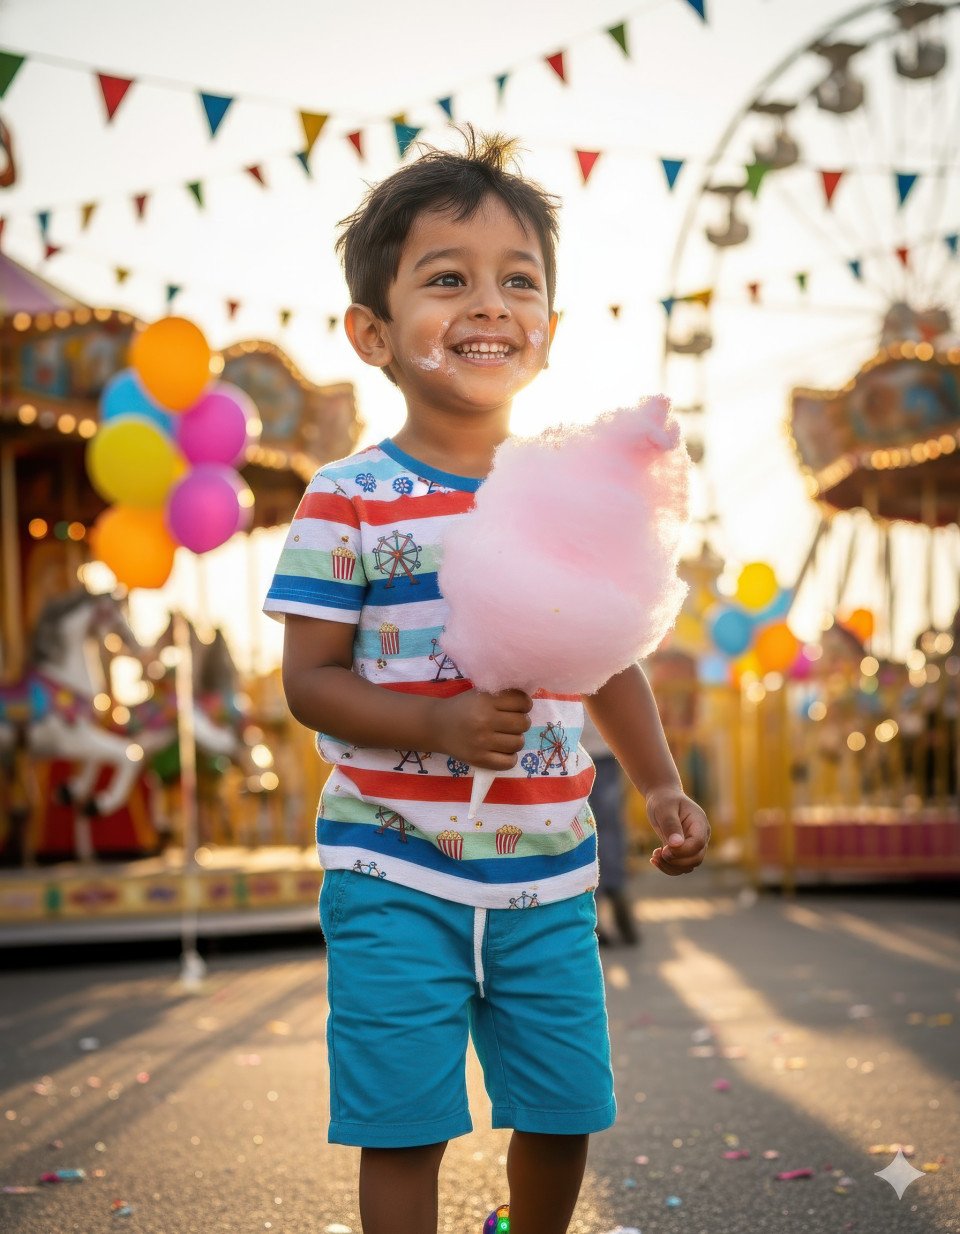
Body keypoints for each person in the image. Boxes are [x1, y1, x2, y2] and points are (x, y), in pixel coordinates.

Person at [263, 126, 710, 1234]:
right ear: (373, 330)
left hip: (551, 865)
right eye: (446, 279)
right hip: (390, 863)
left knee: (563, 1109)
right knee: (402, 1120)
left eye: (519, 282)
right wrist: (443, 721)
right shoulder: (348, 497)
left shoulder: (567, 492)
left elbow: (610, 657)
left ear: (550, 334)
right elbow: (310, 682)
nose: (488, 305)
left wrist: (658, 784)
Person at [580, 710, 640, 946]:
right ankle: (613, 902)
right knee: (606, 830)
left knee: (595, 830)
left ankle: (607, 905)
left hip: (588, 745)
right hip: (587, 744)